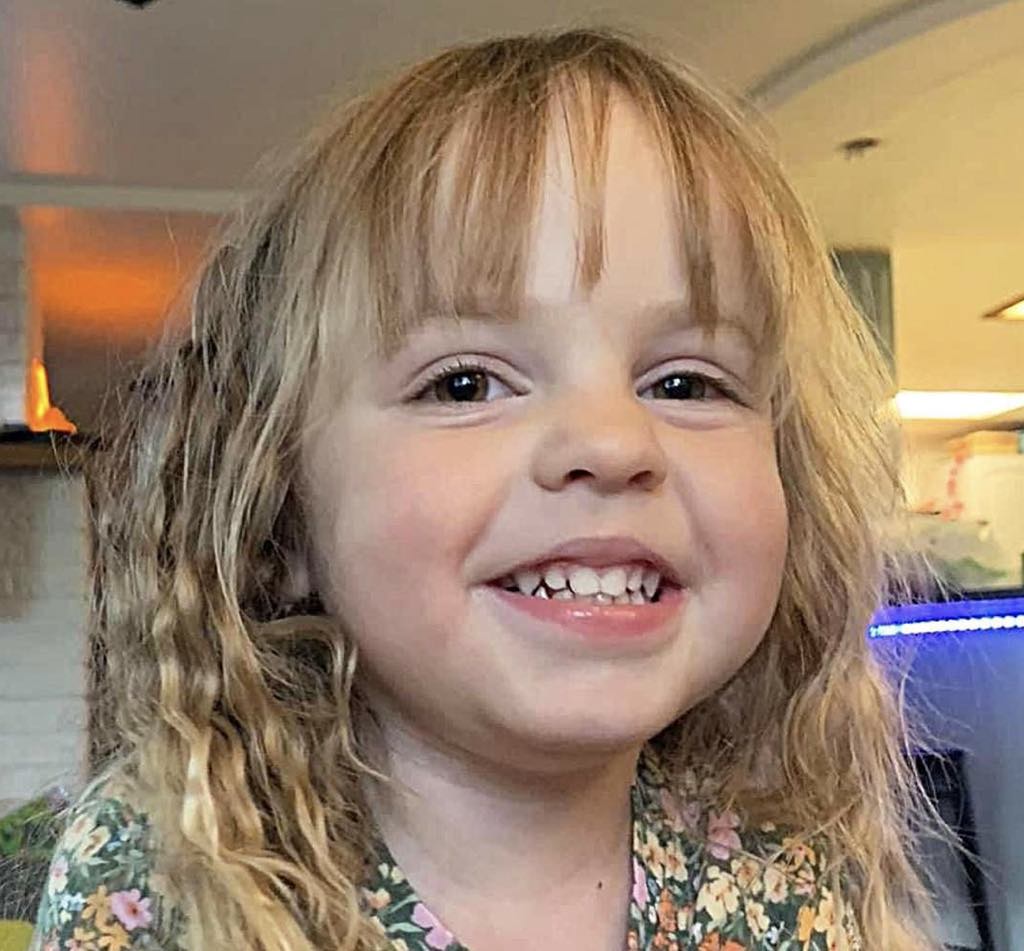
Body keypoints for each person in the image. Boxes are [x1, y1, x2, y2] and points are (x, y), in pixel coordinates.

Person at [32, 28, 938, 951]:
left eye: (687, 382)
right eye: (464, 384)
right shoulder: (164, 880)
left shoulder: (789, 883)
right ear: (283, 510)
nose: (614, 442)